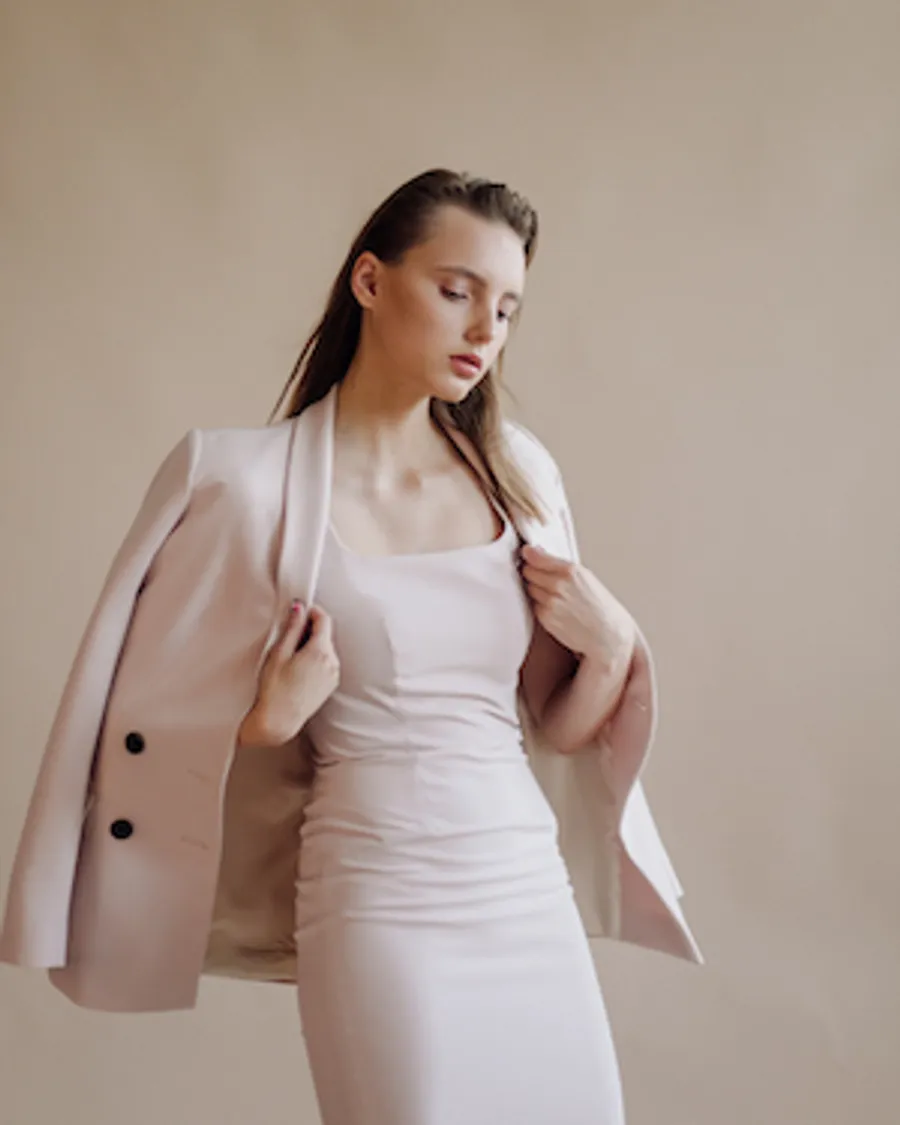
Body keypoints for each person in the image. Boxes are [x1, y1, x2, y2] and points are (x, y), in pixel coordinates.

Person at [0, 169, 701, 1124]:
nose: (484, 329)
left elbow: (558, 725)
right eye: (456, 291)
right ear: (370, 281)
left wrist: (613, 647)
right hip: (379, 903)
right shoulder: (243, 482)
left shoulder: (519, 473)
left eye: (506, 308)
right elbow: (140, 717)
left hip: (526, 891)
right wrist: (262, 720)